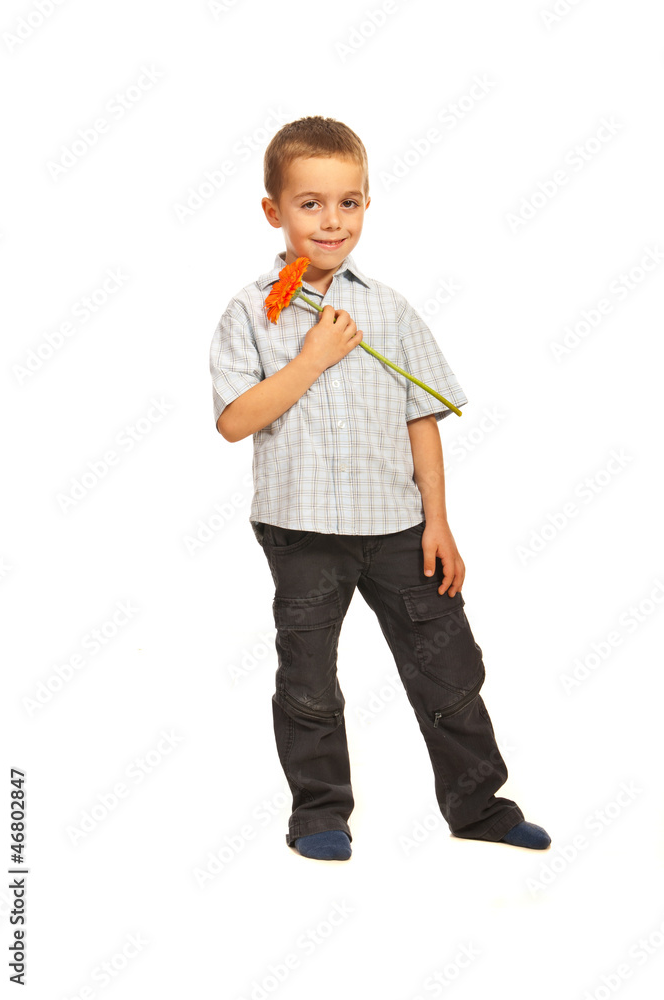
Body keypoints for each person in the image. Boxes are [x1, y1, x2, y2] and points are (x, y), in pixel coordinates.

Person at [209, 115, 551, 861]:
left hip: (397, 526)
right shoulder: (249, 311)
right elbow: (234, 421)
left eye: (349, 202)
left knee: (448, 668)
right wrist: (311, 358)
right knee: (308, 679)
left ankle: (478, 806)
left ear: (366, 204)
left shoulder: (389, 308)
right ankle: (319, 813)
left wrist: (438, 522)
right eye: (310, 203)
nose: (331, 221)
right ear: (272, 210)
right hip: (300, 529)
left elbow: (421, 417)